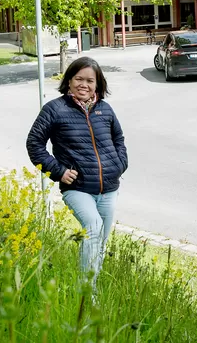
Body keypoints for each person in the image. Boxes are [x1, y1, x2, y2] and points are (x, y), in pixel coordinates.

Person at [26, 57, 128, 285]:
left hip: (109, 189)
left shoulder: (105, 109)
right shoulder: (55, 109)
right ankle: (85, 294)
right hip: (78, 188)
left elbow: (118, 139)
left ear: (98, 84)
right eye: (78, 79)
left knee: (100, 240)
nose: (84, 85)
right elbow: (34, 143)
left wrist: (119, 165)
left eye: (90, 80)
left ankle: (92, 287)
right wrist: (58, 171)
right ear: (69, 81)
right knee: (93, 228)